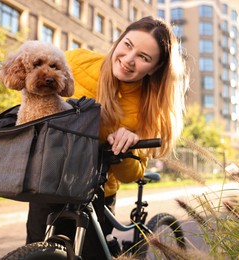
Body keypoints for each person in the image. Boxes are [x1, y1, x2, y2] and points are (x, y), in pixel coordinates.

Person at [26, 16, 189, 258]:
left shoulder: (149, 109)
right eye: (128, 45)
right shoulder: (74, 61)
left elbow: (131, 174)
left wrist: (126, 145)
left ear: (154, 68)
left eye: (144, 58)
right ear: (119, 40)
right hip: (49, 182)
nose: (128, 60)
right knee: (35, 254)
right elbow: (28, 100)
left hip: (97, 193)